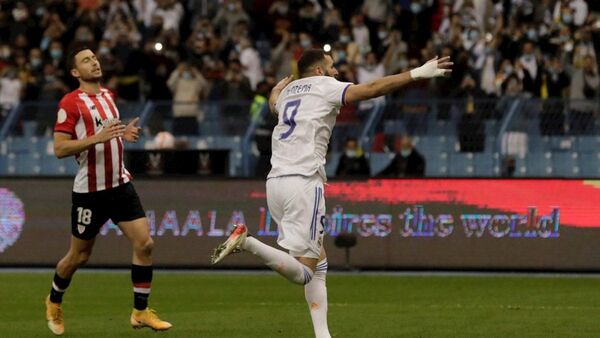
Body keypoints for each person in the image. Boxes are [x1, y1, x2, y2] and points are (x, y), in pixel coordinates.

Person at [211, 49, 451, 338]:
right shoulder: (324, 86)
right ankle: (247, 242)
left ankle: (323, 334)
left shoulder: (287, 94)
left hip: (275, 183)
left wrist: (275, 92)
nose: (337, 72)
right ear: (319, 71)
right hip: (303, 183)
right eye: (332, 67)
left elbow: (275, 107)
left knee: (320, 261)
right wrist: (416, 74)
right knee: (305, 272)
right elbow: (372, 89)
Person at [45, 46, 171, 336]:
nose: (94, 62)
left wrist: (123, 133)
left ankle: (140, 312)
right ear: (75, 72)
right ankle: (53, 300)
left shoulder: (108, 96)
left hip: (120, 184)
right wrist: (96, 138)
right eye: (86, 60)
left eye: (95, 58)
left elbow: (109, 133)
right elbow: (60, 148)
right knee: (79, 257)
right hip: (90, 192)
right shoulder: (70, 102)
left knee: (145, 244)